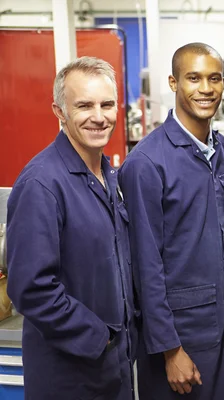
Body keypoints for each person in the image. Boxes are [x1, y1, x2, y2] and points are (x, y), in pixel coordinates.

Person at [7, 56, 137, 399]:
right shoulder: (42, 184)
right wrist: (101, 338)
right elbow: (31, 288)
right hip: (70, 376)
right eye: (84, 105)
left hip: (115, 368)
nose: (99, 116)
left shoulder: (108, 176)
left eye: (107, 104)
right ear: (59, 111)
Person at [118, 43, 224, 399]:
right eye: (194, 78)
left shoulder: (219, 149)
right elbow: (145, 265)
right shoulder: (146, 163)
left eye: (214, 78)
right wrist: (169, 349)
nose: (206, 88)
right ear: (174, 83)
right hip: (182, 340)